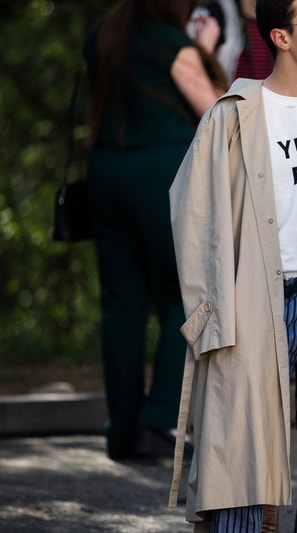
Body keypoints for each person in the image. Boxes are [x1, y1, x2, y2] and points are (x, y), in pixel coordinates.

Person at [167, 0, 297, 529]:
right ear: (281, 37)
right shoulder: (234, 113)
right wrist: (209, 313)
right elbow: (192, 215)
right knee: (242, 462)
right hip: (263, 301)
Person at [83, 0, 228, 461]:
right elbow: (215, 110)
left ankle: (121, 429)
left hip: (104, 174)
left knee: (121, 305)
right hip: (160, 174)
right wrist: (203, 49)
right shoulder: (171, 44)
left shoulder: (103, 36)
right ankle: (159, 420)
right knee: (189, 295)